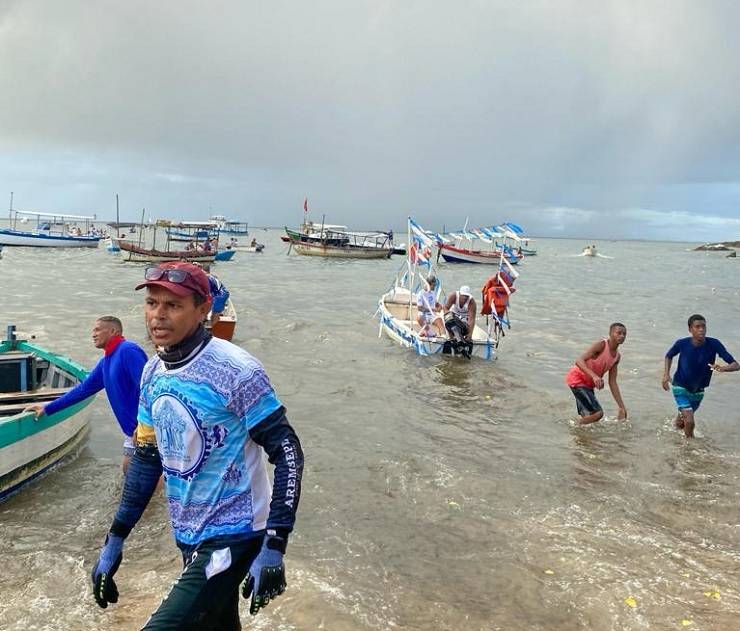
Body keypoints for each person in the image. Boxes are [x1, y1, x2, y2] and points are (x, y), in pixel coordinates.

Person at [91, 261, 304, 629]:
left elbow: (288, 452)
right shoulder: (153, 373)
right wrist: (116, 538)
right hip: (188, 531)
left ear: (203, 309)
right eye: (152, 303)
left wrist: (275, 542)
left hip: (237, 532)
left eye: (173, 305)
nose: (158, 315)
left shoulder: (236, 370)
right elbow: (146, 461)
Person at [25, 316, 147, 472]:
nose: (93, 334)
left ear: (112, 331)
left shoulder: (128, 351)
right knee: (128, 472)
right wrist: (48, 408)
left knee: (145, 480)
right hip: (133, 433)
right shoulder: (106, 362)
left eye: (97, 329)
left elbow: (148, 389)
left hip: (147, 431)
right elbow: (83, 390)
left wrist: (147, 424)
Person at [662, 314, 738, 438]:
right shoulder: (682, 343)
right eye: (697, 327)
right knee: (690, 421)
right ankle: (689, 448)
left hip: (698, 391)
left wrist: (723, 368)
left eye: (703, 326)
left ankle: (672, 434)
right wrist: (666, 375)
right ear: (690, 329)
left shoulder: (714, 344)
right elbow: (669, 356)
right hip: (680, 386)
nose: (701, 329)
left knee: (683, 422)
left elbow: (735, 365)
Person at [565, 323, 628, 424]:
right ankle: (573, 426)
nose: (622, 336)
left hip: (588, 385)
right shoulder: (602, 345)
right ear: (610, 333)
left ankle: (578, 431)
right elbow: (579, 360)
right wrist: (594, 376)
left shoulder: (617, 357)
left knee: (590, 418)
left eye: (624, 334)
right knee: (598, 414)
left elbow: (612, 382)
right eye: (618, 333)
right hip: (577, 379)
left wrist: (621, 407)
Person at [443, 285, 477, 357]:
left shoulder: (472, 302)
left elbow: (472, 319)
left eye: (466, 296)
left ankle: (459, 339)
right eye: (463, 296)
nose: (465, 298)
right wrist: (448, 314)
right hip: (452, 315)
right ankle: (452, 338)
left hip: (464, 318)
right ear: (460, 294)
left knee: (460, 326)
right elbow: (445, 308)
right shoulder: (453, 296)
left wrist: (470, 335)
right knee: (449, 320)